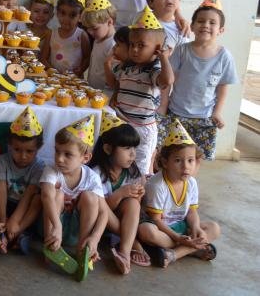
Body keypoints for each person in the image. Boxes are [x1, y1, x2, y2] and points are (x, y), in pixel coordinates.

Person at [162, 0, 238, 160]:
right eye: (201, 21)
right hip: (176, 113)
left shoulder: (224, 56)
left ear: (221, 30)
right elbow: (168, 80)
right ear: (193, 26)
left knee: (197, 157)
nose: (206, 25)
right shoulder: (182, 50)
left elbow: (222, 87)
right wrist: (163, 105)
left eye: (212, 23)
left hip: (204, 118)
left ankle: (189, 184)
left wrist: (217, 112)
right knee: (171, 154)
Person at [137, 120, 220, 268]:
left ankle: (174, 254)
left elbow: (192, 211)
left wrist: (195, 228)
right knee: (146, 231)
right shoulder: (157, 185)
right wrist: (179, 239)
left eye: (190, 160)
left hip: (181, 227)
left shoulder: (191, 183)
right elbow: (156, 220)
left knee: (214, 228)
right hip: (161, 228)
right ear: (165, 161)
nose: (185, 167)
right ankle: (191, 249)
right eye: (178, 160)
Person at [40, 115, 108, 281]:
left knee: (91, 198)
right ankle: (51, 247)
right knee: (56, 193)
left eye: (68, 154)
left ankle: (83, 250)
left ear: (85, 158)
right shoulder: (51, 170)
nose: (59, 158)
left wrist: (95, 239)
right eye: (57, 151)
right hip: (53, 228)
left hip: (78, 230)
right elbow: (46, 195)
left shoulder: (92, 178)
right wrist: (57, 226)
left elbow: (104, 212)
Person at [114, 6, 174, 174]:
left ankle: (139, 196)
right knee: (121, 164)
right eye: (132, 45)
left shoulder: (153, 71)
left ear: (157, 48)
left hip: (143, 129)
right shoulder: (127, 67)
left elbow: (167, 80)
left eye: (141, 46)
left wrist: (163, 58)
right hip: (123, 123)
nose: (134, 50)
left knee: (140, 167)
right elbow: (115, 83)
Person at [88, 112, 148, 274]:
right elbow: (102, 209)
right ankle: (133, 242)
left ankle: (124, 252)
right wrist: (121, 193)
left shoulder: (131, 172)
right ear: (108, 148)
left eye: (134, 148)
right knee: (102, 205)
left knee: (133, 203)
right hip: (100, 222)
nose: (133, 154)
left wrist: (138, 194)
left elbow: (136, 203)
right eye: (127, 148)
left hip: (123, 221)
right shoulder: (96, 174)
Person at [0, 106, 44, 255]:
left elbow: (28, 195)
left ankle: (14, 233)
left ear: (38, 149)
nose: (23, 156)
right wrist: (2, 220)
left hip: (24, 210)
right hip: (5, 204)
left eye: (29, 151)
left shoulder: (39, 167)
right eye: (17, 150)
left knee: (38, 200)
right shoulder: (3, 160)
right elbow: (0, 190)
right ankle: (8, 233)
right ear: (10, 146)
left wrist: (14, 221)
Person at [42, 0, 91, 76]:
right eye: (63, 13)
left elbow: (87, 58)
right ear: (57, 13)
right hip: (54, 79)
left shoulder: (81, 35)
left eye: (72, 15)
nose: (66, 19)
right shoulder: (51, 34)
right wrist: (52, 71)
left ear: (80, 17)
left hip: (74, 80)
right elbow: (44, 58)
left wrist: (80, 70)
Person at [82, 0, 116, 90]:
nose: (90, 32)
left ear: (109, 22)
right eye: (88, 29)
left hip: (105, 94)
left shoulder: (114, 44)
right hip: (93, 90)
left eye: (94, 28)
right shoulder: (98, 39)